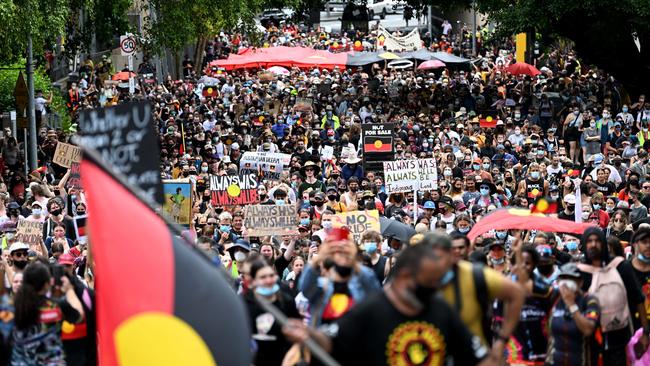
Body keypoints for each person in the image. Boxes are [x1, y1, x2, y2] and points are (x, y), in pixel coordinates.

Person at [283, 243, 495, 366]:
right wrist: (309, 335)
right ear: (404, 276)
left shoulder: (441, 309)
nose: (434, 289)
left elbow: (480, 356)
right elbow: (331, 339)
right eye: (428, 282)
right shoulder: (370, 309)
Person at [577, 227, 649, 365]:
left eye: (597, 240)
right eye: (589, 241)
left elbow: (638, 299)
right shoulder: (578, 272)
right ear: (584, 245)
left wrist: (645, 333)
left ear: (603, 243)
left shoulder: (621, 267)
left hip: (620, 337)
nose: (593, 244)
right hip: (590, 339)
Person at [298, 228, 380, 326]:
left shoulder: (361, 285)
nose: (342, 256)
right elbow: (305, 287)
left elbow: (375, 295)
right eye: (337, 253)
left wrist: (354, 258)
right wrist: (320, 256)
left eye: (345, 253)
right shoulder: (321, 287)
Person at [11, 262, 85, 364]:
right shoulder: (56, 306)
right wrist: (69, 290)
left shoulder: (11, 308)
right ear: (46, 284)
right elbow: (79, 316)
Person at [243, 259, 300, 366]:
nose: (269, 280)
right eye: (263, 277)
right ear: (253, 281)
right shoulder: (245, 304)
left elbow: (298, 335)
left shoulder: (287, 301)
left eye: (271, 276)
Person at [545, 262, 601, 365]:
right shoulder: (555, 298)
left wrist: (571, 304)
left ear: (580, 282)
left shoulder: (590, 301)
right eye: (563, 278)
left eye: (570, 278)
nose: (566, 283)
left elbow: (588, 329)